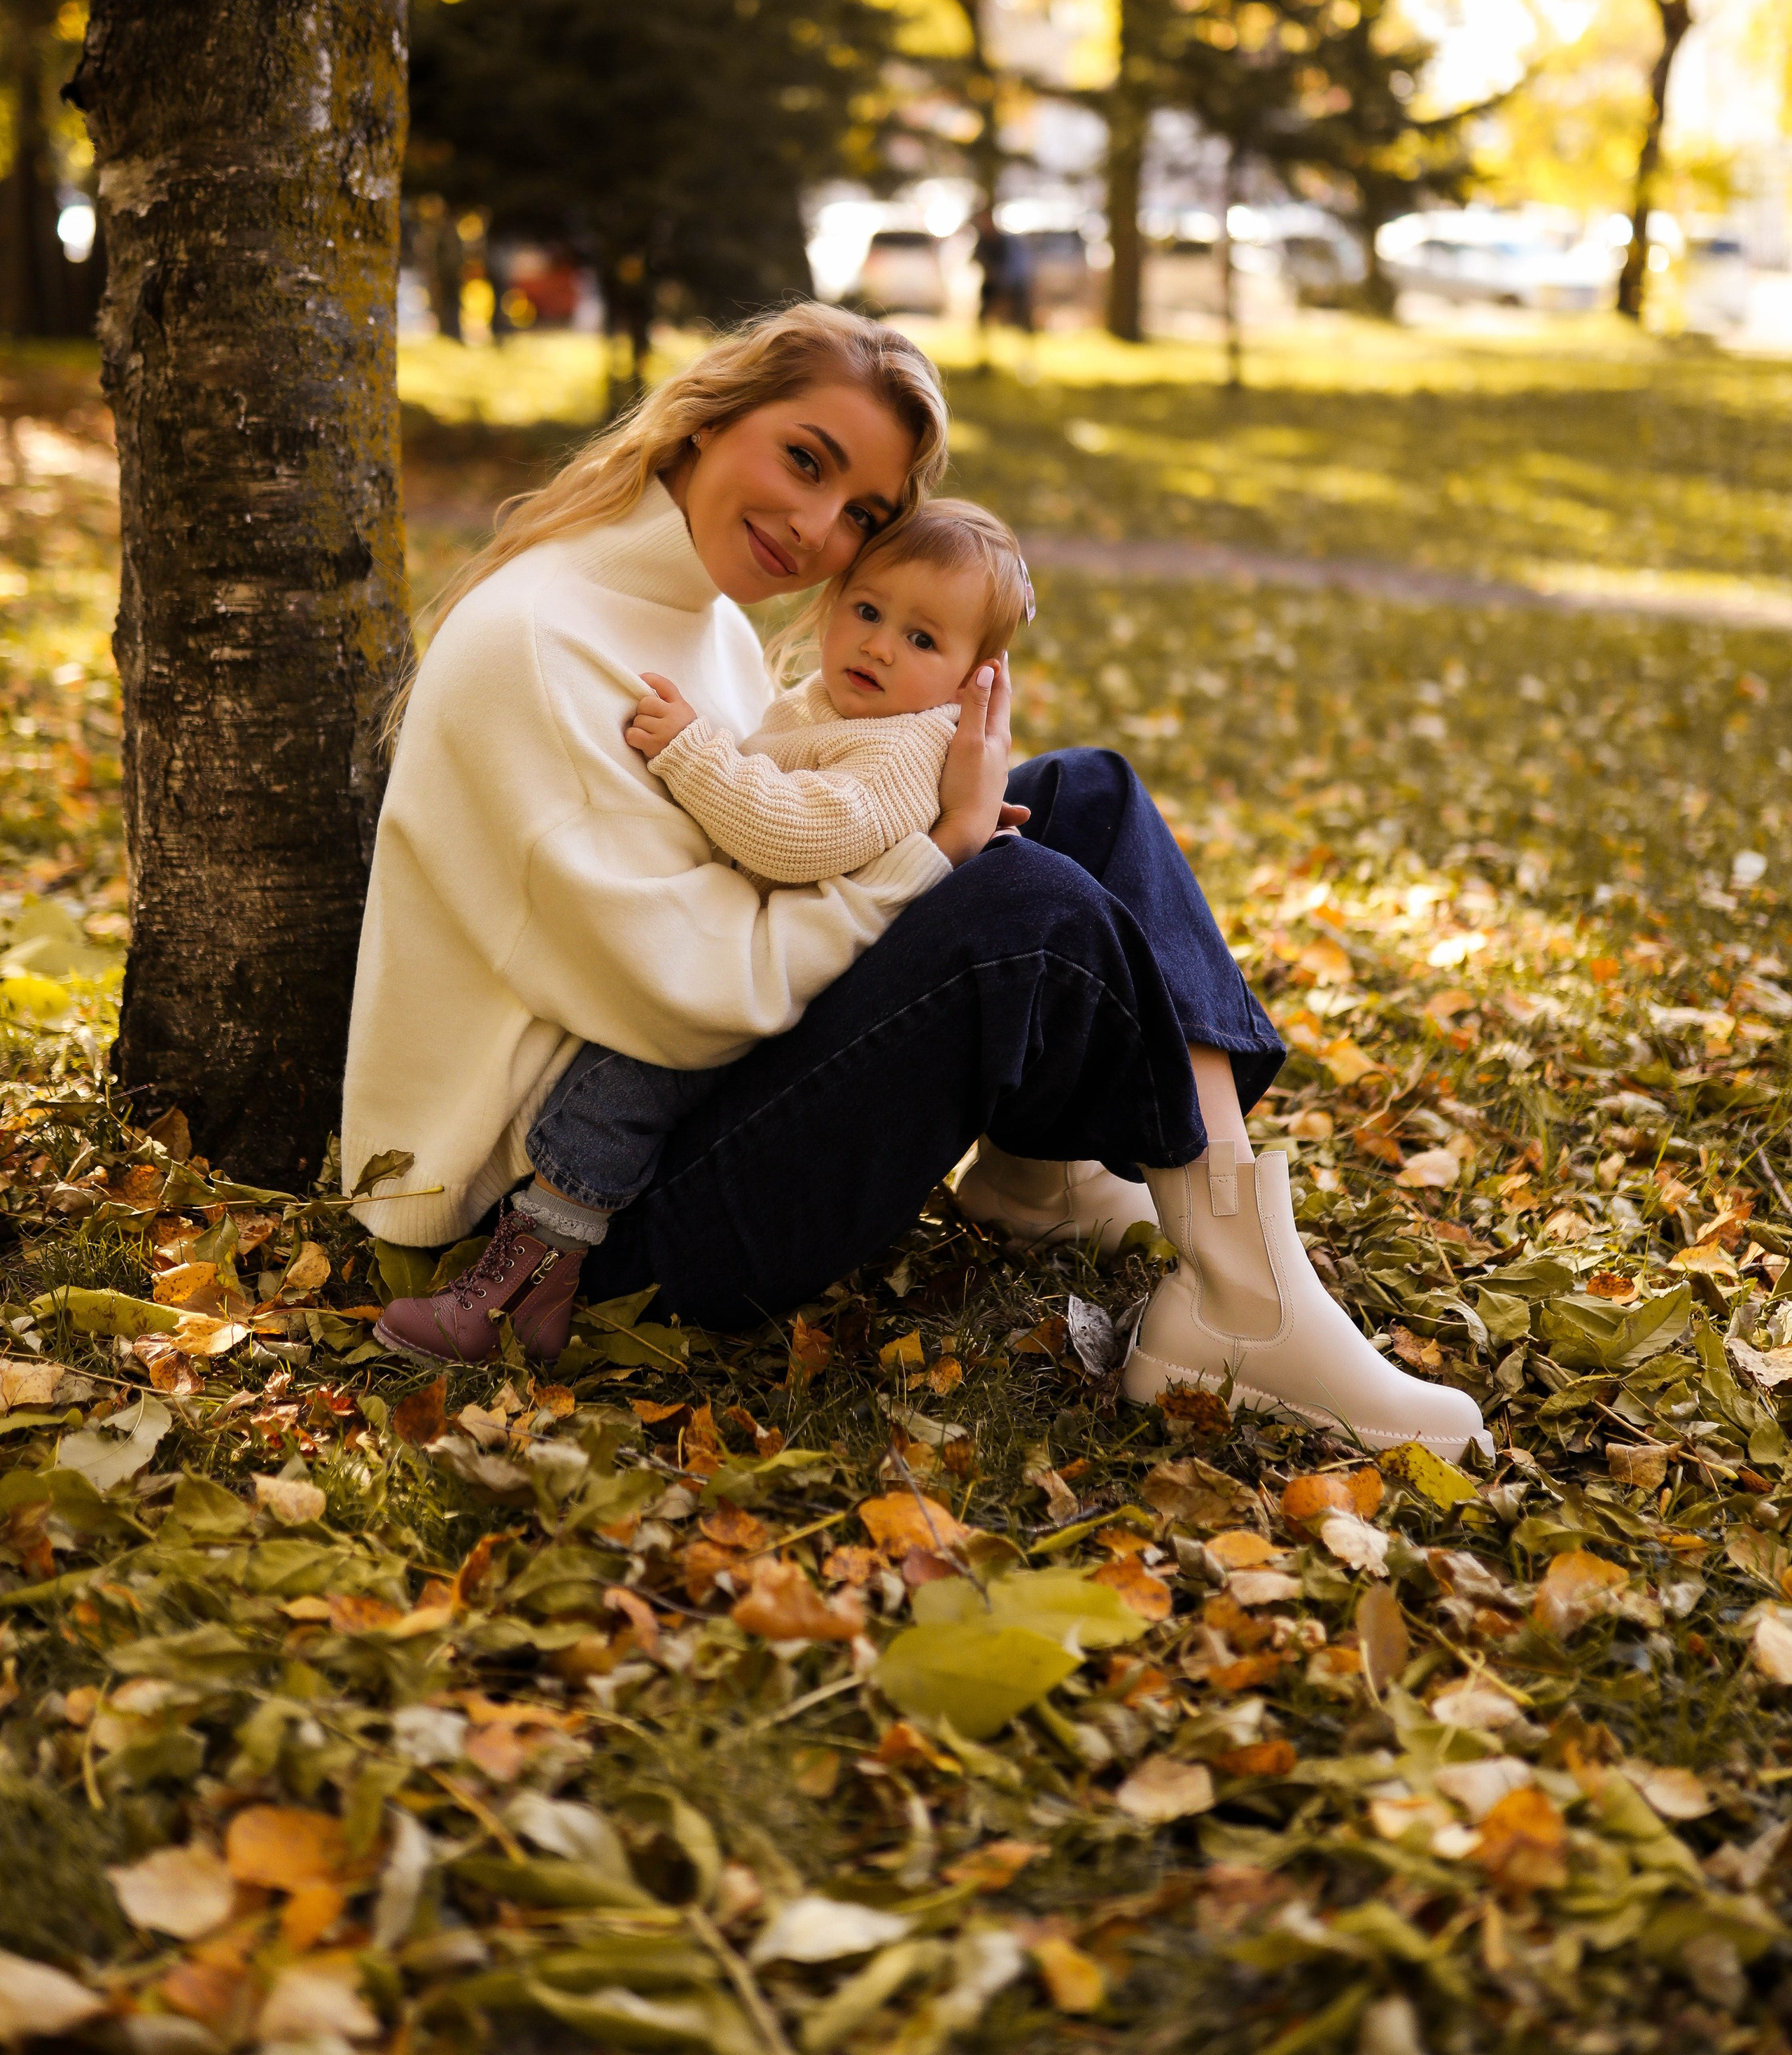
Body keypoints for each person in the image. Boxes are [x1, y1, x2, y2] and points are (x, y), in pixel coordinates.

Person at [343, 302, 1485, 1458]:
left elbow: (789, 850)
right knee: (1024, 910)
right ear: (705, 418)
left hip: (678, 1114)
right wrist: (939, 853)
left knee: (1089, 797)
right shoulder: (542, 646)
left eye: (863, 514)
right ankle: (1246, 1307)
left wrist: (945, 815)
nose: (815, 527)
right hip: (584, 1215)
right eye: (804, 458)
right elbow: (687, 1000)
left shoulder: (706, 622)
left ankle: (1082, 1204)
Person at [374, 498, 1037, 1358]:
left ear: (972, 679)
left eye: (922, 640)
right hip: (762, 953)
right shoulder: (840, 709)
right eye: (867, 611)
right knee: (614, 1068)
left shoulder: (905, 749)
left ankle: (524, 1290)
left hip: (801, 988)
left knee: (624, 1085)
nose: (878, 645)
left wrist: (693, 751)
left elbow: (795, 834)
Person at [972, 204, 1034, 333]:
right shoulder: (983, 240)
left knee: (1020, 315)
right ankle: (983, 339)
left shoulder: (1007, 241)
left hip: (1012, 281)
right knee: (984, 313)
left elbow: (1017, 265)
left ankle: (1027, 338)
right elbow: (976, 258)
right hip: (993, 283)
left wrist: (1004, 279)